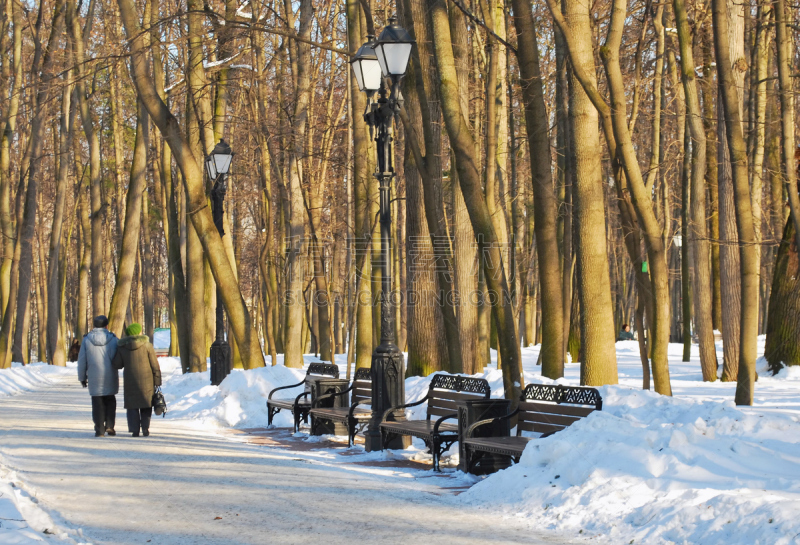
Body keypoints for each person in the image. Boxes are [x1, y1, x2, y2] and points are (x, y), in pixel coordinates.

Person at [113, 323, 162, 437]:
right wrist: (158, 380)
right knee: (146, 404)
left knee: (132, 406)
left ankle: (134, 430)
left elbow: (117, 364)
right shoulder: (147, 345)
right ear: (139, 332)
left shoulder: (122, 347)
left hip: (130, 381)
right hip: (147, 380)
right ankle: (145, 428)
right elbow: (155, 365)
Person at [77, 316, 119, 437]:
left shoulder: (86, 340)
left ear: (94, 326)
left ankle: (99, 429)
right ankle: (110, 425)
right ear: (106, 326)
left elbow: (82, 360)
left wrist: (82, 377)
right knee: (110, 400)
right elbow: (118, 357)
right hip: (110, 375)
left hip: (94, 376)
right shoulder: (113, 339)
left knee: (97, 402)